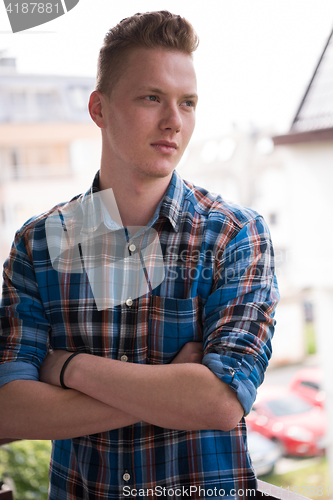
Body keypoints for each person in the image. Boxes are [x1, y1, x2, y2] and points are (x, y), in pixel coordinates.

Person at [0, 11, 279, 500]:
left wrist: (69, 369)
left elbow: (220, 403)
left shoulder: (235, 237)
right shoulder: (39, 244)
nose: (174, 121)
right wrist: (171, 389)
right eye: (152, 98)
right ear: (99, 108)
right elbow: (9, 409)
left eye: (187, 103)